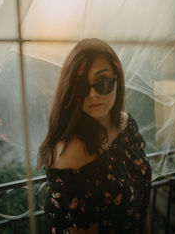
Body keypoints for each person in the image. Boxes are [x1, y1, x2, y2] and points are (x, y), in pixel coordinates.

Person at [37, 38, 152, 234]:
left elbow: (142, 203)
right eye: (81, 86)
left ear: (117, 80)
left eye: (103, 82)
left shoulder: (127, 124)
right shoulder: (73, 152)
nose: (93, 95)